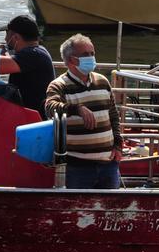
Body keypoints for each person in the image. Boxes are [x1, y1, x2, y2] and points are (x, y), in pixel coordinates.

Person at [43, 34, 122, 189]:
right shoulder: (58, 85)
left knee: (110, 210)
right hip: (77, 168)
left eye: (92, 53)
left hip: (108, 165)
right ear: (71, 59)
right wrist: (76, 109)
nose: (91, 57)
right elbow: (50, 107)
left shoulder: (102, 81)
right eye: (85, 54)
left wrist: (118, 144)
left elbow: (113, 114)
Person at [0, 14, 54, 118]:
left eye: (7, 34)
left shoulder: (34, 54)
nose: (5, 39)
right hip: (23, 114)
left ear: (16, 37)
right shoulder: (36, 51)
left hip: (33, 119)